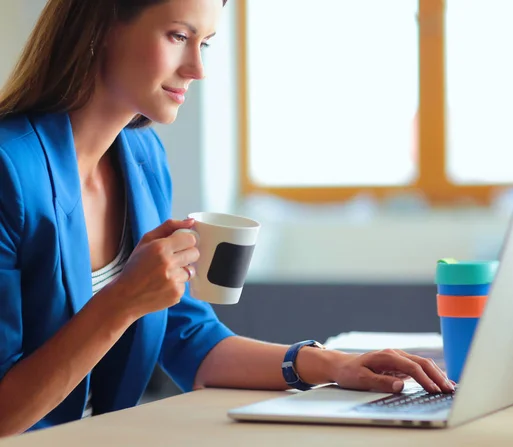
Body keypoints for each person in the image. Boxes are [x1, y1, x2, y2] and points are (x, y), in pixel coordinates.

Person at [0, 0, 454, 436]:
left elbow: (188, 336)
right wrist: (121, 302)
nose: (197, 68)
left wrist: (334, 365)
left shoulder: (141, 158)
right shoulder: (9, 171)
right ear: (100, 27)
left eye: (206, 43)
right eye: (179, 35)